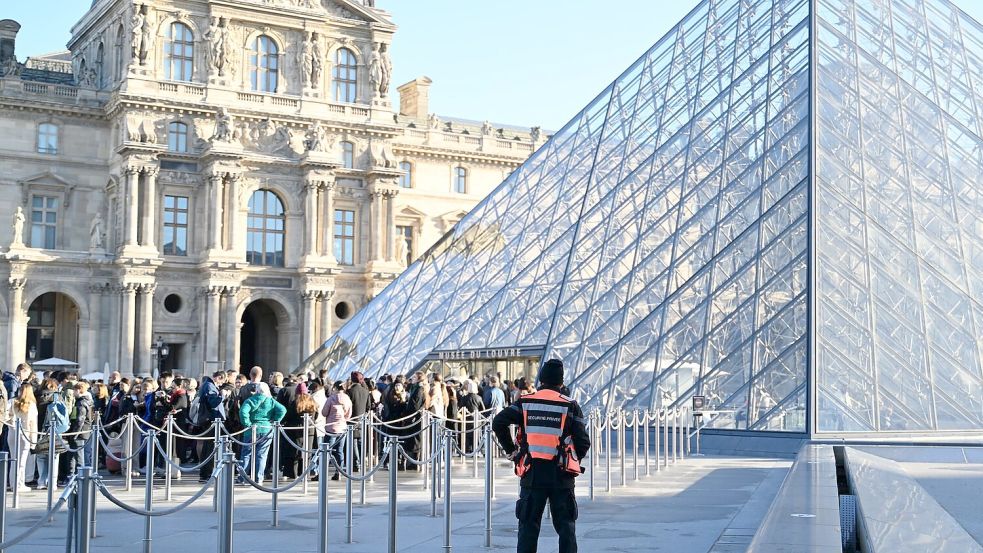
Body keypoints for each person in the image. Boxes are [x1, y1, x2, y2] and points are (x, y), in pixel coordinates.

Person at [492, 359, 590, 553]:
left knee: (528, 528)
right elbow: (583, 442)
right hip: (561, 474)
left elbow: (498, 423)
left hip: (532, 473)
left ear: (541, 380)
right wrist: (572, 458)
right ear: (561, 382)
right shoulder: (570, 405)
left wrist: (512, 452)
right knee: (566, 529)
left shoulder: (526, 402)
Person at [237, 383, 286, 484]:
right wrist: (275, 420)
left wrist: (247, 423)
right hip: (266, 429)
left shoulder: (250, 400)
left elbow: (243, 412)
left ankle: (242, 478)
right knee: (262, 455)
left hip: (251, 430)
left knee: (246, 454)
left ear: (257, 390)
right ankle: (259, 478)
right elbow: (282, 410)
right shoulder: (271, 400)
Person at [195, 371, 228, 483]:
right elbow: (213, 402)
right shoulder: (209, 385)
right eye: (221, 382)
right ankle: (206, 473)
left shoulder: (208, 384)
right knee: (209, 447)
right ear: (218, 377)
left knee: (208, 446)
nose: (221, 384)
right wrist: (222, 395)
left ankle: (206, 472)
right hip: (211, 420)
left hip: (210, 420)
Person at [7, 384, 37, 491]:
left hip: (12, 433)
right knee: (22, 462)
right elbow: (33, 424)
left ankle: (13, 483)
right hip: (25, 434)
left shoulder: (12, 401)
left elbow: (5, 416)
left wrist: (11, 422)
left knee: (13, 460)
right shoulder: (31, 405)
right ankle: (19, 484)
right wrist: (33, 442)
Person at [321, 381, 352, 480]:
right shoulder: (347, 398)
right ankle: (339, 472)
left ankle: (323, 471)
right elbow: (349, 415)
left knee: (326, 450)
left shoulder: (331, 398)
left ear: (334, 388)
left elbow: (324, 412)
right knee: (339, 451)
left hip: (331, 427)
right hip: (342, 427)